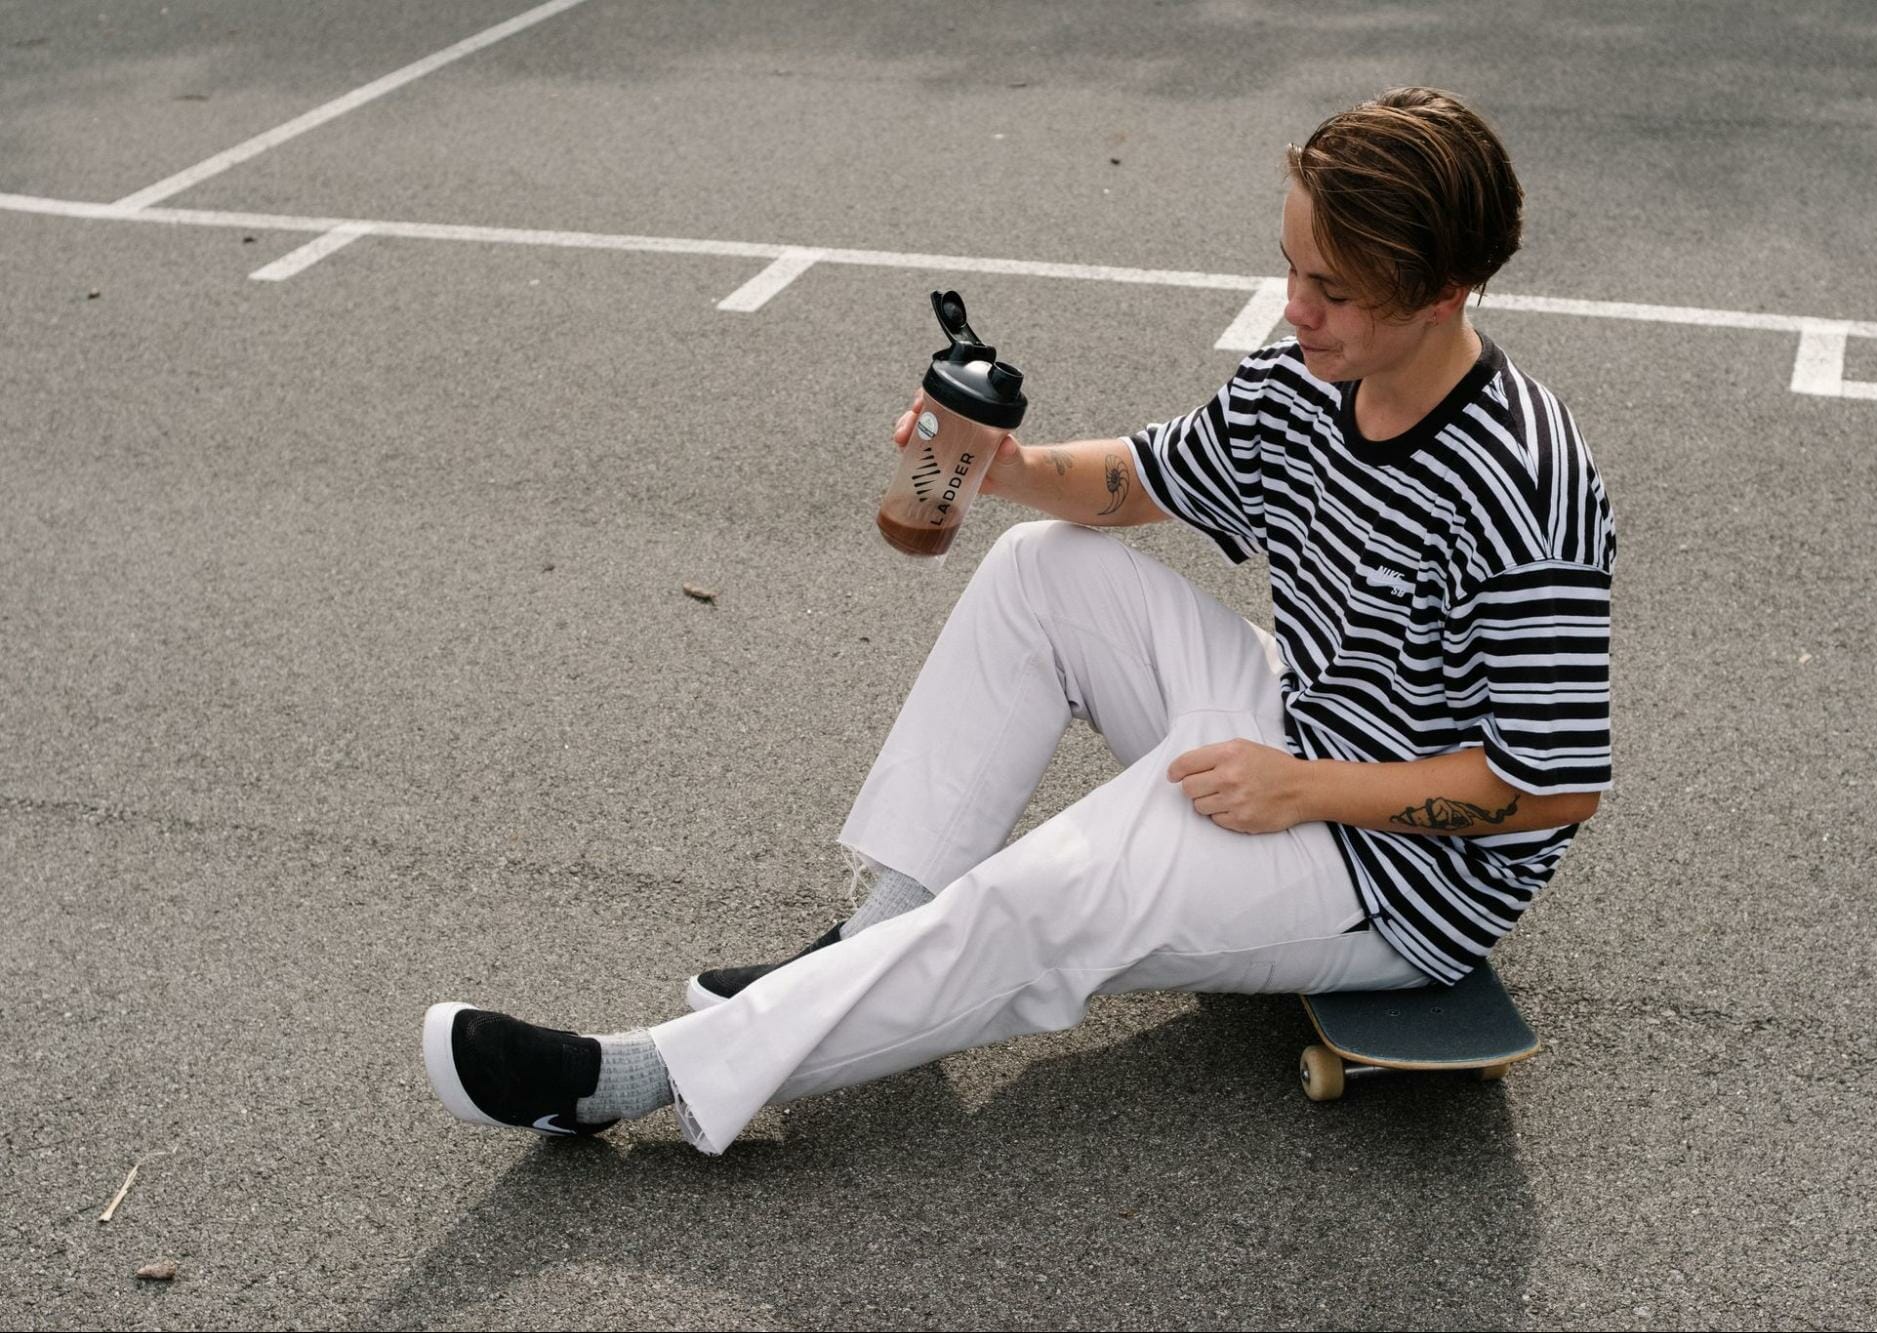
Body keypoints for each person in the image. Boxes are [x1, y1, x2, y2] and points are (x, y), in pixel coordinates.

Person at [420, 87, 1616, 1153]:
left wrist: (1301, 789)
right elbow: (1141, 479)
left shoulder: (1524, 485)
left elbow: (1551, 787)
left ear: (1443, 293)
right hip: (1306, 719)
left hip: (1401, 872)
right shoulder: (1307, 382)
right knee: (1042, 565)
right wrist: (1004, 468)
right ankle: (879, 937)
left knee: (1048, 896)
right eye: (1291, 268)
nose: (1293, 307)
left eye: (1332, 290)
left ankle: (628, 1081)